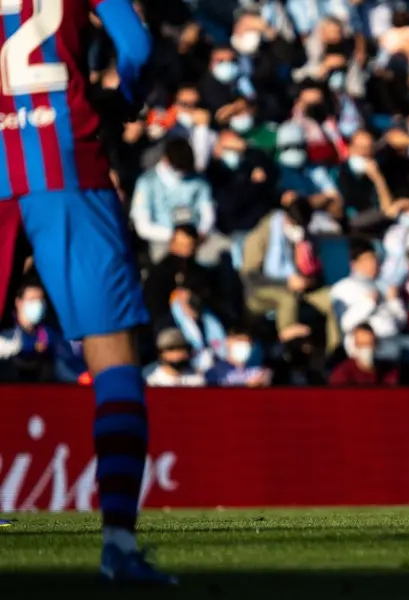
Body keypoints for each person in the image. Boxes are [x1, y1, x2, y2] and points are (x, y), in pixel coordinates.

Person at [0, 0, 174, 583]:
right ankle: (119, 545)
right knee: (112, 358)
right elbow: (138, 45)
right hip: (67, 161)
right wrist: (124, 98)